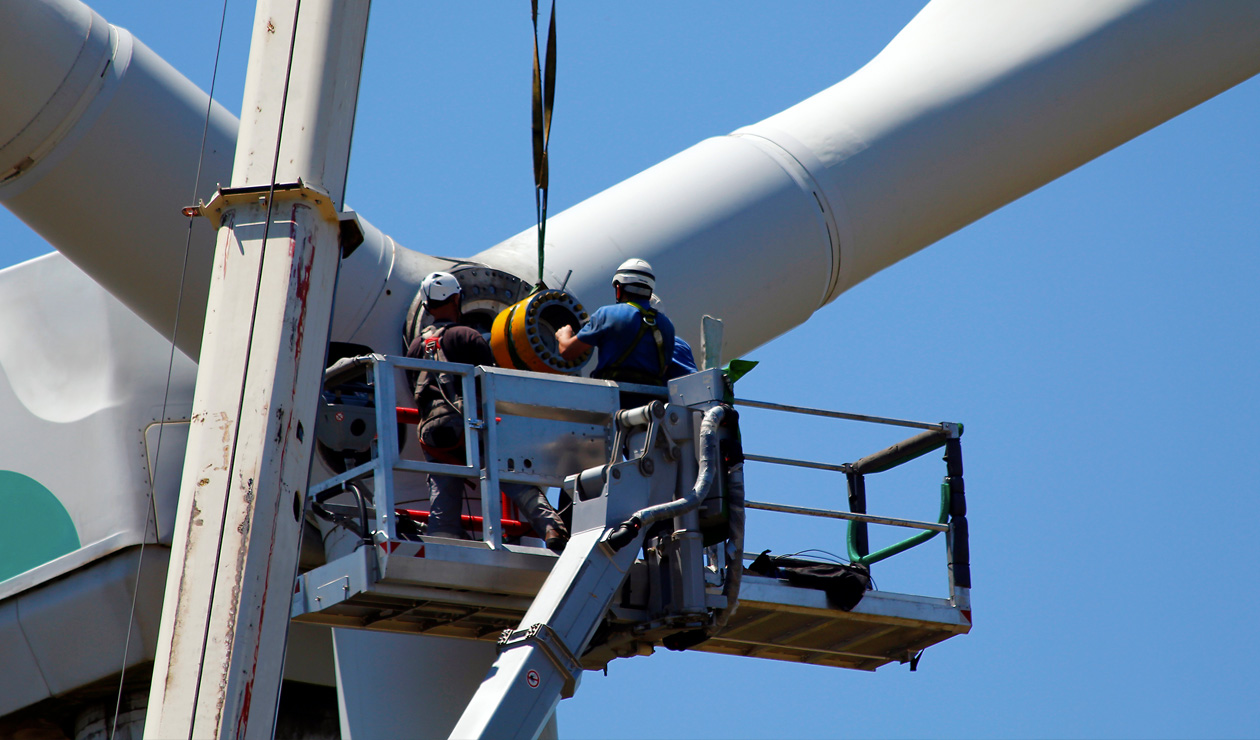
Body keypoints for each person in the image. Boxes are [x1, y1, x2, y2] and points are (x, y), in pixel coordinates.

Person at [408, 271, 568, 552]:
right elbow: (490, 384)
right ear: (457, 298)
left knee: (442, 488)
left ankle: (443, 543)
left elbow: (413, 387)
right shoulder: (467, 336)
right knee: (509, 472)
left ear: (427, 306)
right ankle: (550, 526)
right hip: (469, 425)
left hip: (433, 434)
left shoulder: (415, 347)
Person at [555, 258, 676, 386]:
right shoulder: (667, 325)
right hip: (651, 400)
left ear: (619, 288)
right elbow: (664, 368)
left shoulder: (607, 314)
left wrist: (564, 335)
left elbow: (568, 352)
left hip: (615, 398)